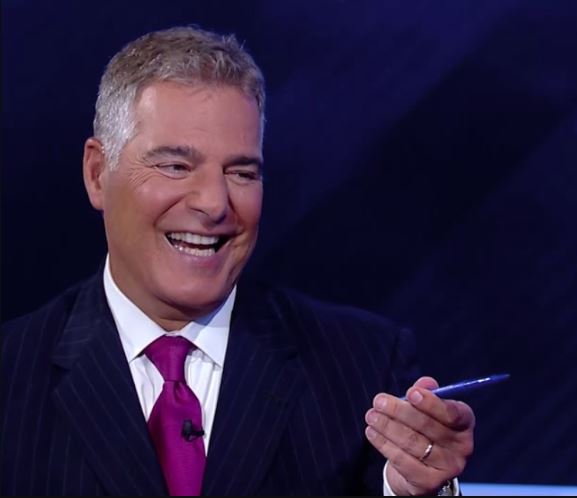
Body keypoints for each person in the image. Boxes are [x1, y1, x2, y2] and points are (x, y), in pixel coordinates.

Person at [1, 26, 475, 496]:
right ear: (97, 174)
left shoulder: (365, 369)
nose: (214, 202)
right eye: (176, 166)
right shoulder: (11, 374)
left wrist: (417, 490)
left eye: (242, 172)